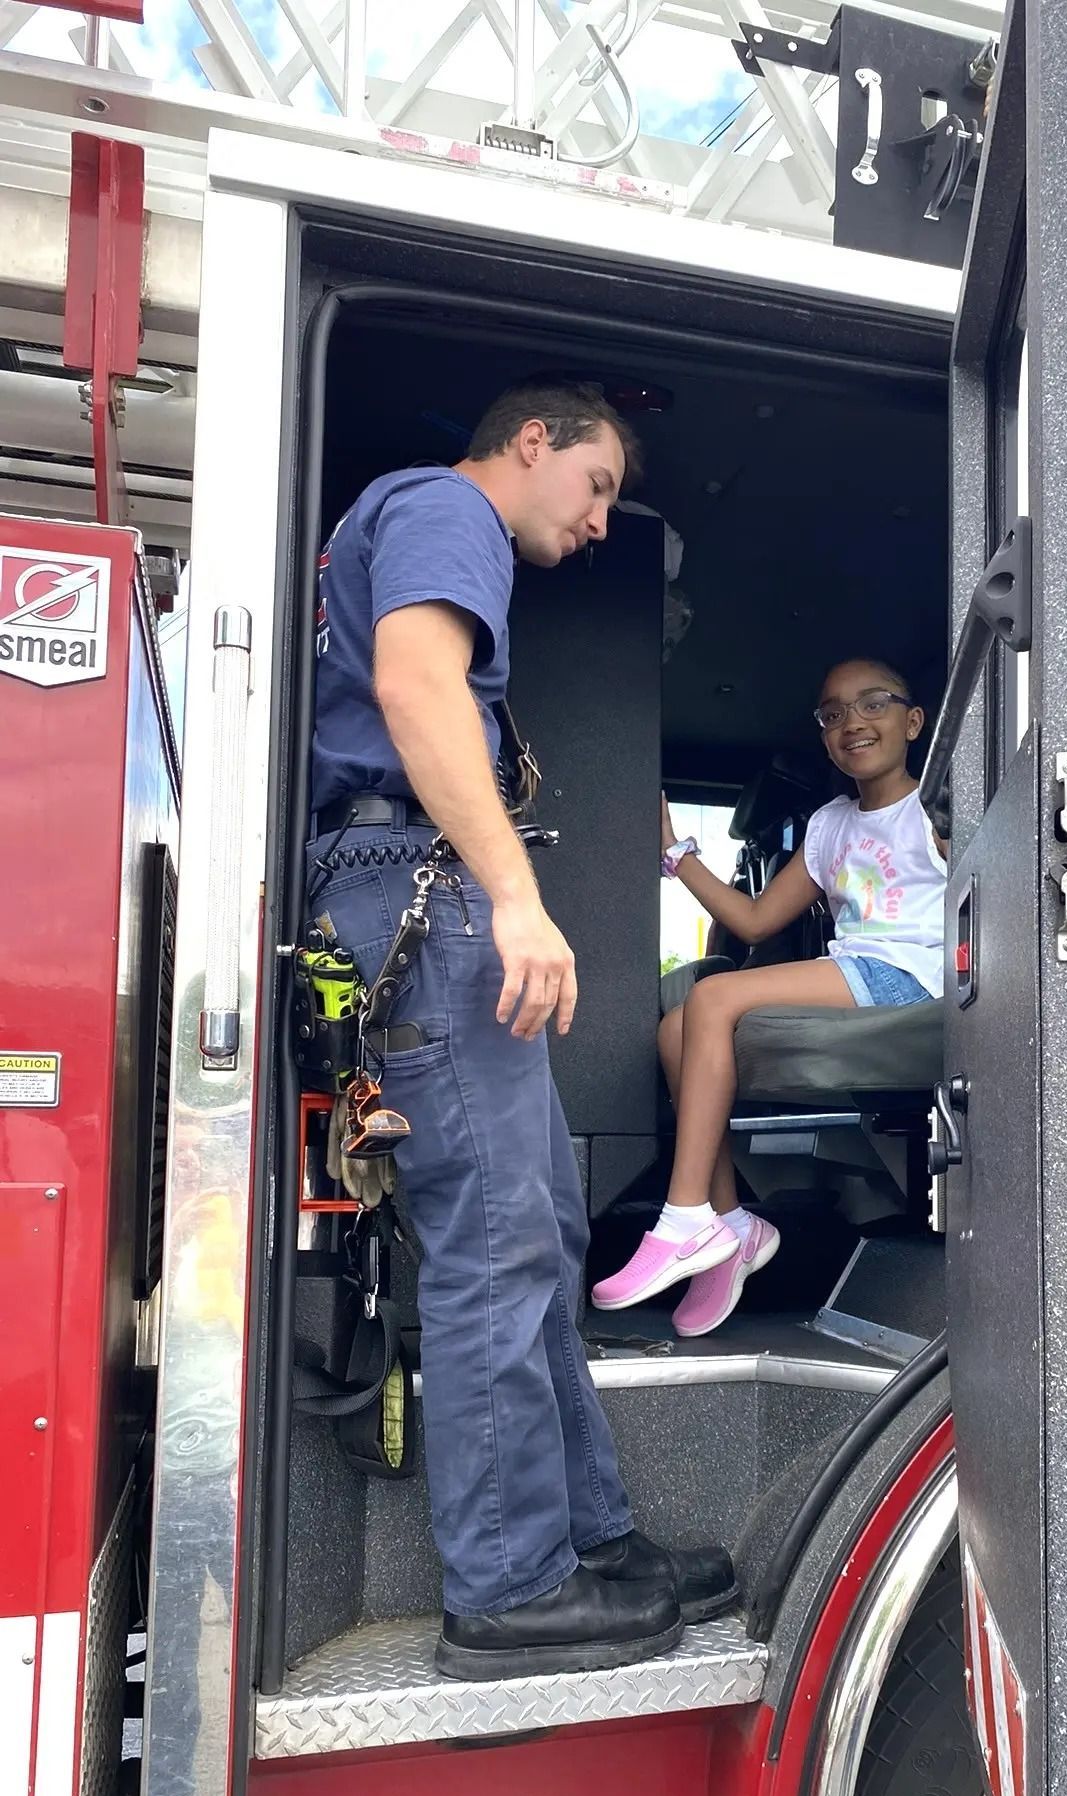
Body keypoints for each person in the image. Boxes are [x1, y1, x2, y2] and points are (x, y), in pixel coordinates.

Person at [306, 380, 736, 1681]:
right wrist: (512, 894)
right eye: (597, 485)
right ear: (532, 442)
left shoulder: (414, 521)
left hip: (410, 886)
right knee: (497, 1242)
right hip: (417, 888)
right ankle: (508, 1588)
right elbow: (416, 683)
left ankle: (589, 1538)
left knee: (537, 1223)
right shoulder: (450, 510)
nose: (601, 523)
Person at [594, 659, 945, 1336]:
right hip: (855, 969)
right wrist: (676, 855)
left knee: (714, 997)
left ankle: (684, 1217)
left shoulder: (934, 808)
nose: (853, 722)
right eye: (833, 714)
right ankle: (730, 1226)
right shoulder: (830, 824)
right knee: (676, 1026)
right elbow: (755, 921)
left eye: (873, 704)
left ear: (913, 721)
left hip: (912, 979)